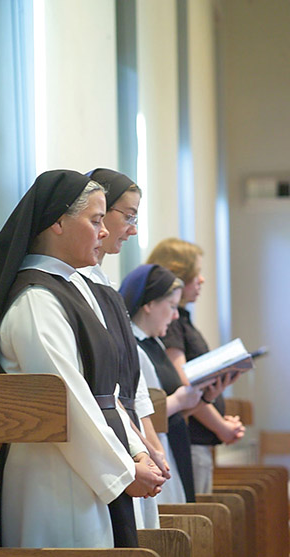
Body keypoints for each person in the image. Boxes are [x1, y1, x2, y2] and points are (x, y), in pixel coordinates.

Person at [0, 170, 162, 549]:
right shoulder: (36, 298)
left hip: (91, 463)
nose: (104, 232)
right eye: (96, 220)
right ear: (57, 221)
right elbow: (65, 397)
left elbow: (108, 391)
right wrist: (121, 471)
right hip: (55, 474)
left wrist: (136, 451)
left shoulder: (73, 289)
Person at [74, 167, 168, 528]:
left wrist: (150, 443)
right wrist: (139, 449)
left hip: (133, 441)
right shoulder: (76, 287)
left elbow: (132, 381)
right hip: (114, 445)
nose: (133, 229)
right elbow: (100, 388)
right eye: (127, 217)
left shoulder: (105, 286)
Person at [147, 238, 245, 493]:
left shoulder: (180, 319)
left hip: (197, 435)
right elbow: (184, 385)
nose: (201, 280)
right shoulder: (169, 325)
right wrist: (221, 427)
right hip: (188, 437)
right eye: (196, 273)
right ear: (178, 274)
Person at [120, 264, 203, 502]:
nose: (176, 315)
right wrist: (177, 401)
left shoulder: (155, 343)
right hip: (154, 447)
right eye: (172, 306)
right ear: (149, 304)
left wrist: (201, 398)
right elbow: (137, 412)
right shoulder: (134, 348)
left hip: (172, 441)